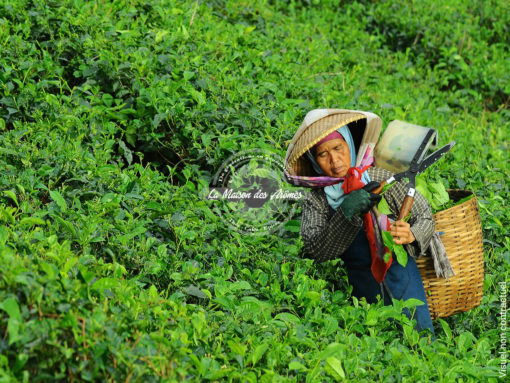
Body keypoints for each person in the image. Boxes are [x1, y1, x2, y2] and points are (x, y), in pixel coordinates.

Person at [299, 124, 436, 336]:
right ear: (314, 160)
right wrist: (346, 211)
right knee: (377, 344)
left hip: (404, 278)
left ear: (350, 145)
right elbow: (315, 249)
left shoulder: (378, 175)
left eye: (338, 148)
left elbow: (424, 214)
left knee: (421, 339)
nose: (334, 161)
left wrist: (412, 233)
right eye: (323, 155)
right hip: (363, 287)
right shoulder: (316, 200)